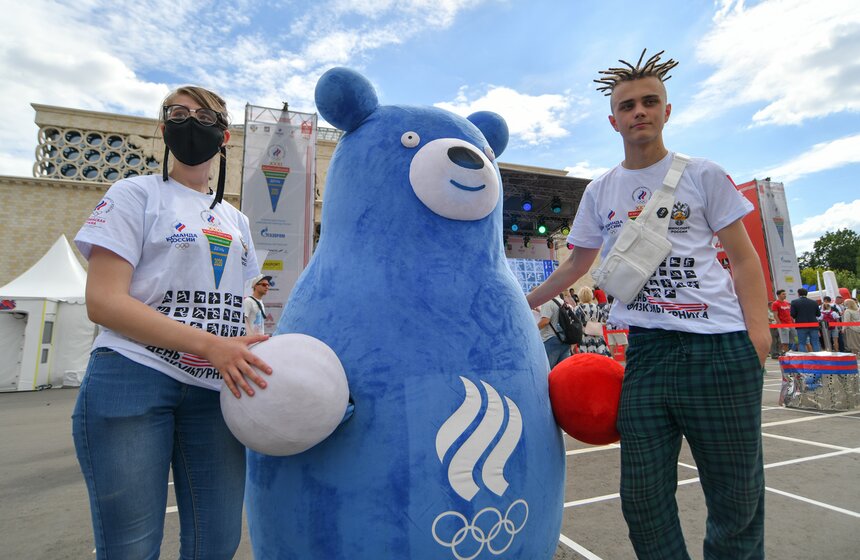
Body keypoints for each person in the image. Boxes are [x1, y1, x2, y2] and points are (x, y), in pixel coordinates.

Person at [526, 49, 769, 559]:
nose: (640, 111)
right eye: (628, 105)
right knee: (641, 500)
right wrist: (518, 303)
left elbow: (744, 260)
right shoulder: (601, 190)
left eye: (650, 102)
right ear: (612, 118)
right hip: (648, 356)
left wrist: (758, 337)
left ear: (667, 110)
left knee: (737, 500)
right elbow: (573, 268)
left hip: (720, 351)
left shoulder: (703, 174)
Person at [72, 86, 272, 559]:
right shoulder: (133, 194)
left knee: (216, 543)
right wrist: (210, 344)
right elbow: (103, 301)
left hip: (215, 388)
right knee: (131, 548)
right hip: (133, 374)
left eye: (203, 115)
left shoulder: (237, 221)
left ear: (224, 136)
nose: (189, 121)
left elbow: (233, 305)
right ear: (163, 129)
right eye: (177, 114)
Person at [537, 293, 572, 367]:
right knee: (562, 370)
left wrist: (533, 329)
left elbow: (545, 321)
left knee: (548, 370)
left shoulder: (548, 302)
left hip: (550, 339)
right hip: (565, 339)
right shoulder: (563, 303)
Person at [575, 286, 611, 356]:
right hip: (597, 335)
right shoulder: (597, 307)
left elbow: (577, 324)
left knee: (586, 358)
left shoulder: (578, 308)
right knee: (600, 357)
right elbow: (601, 320)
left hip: (584, 337)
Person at [771, 289, 796, 355]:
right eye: (783, 294)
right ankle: (786, 354)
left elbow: (790, 314)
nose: (785, 295)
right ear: (778, 295)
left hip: (791, 324)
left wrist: (793, 322)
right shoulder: (775, 303)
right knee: (785, 342)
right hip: (783, 325)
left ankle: (792, 352)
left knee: (796, 339)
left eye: (785, 294)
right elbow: (775, 315)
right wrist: (780, 324)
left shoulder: (787, 303)